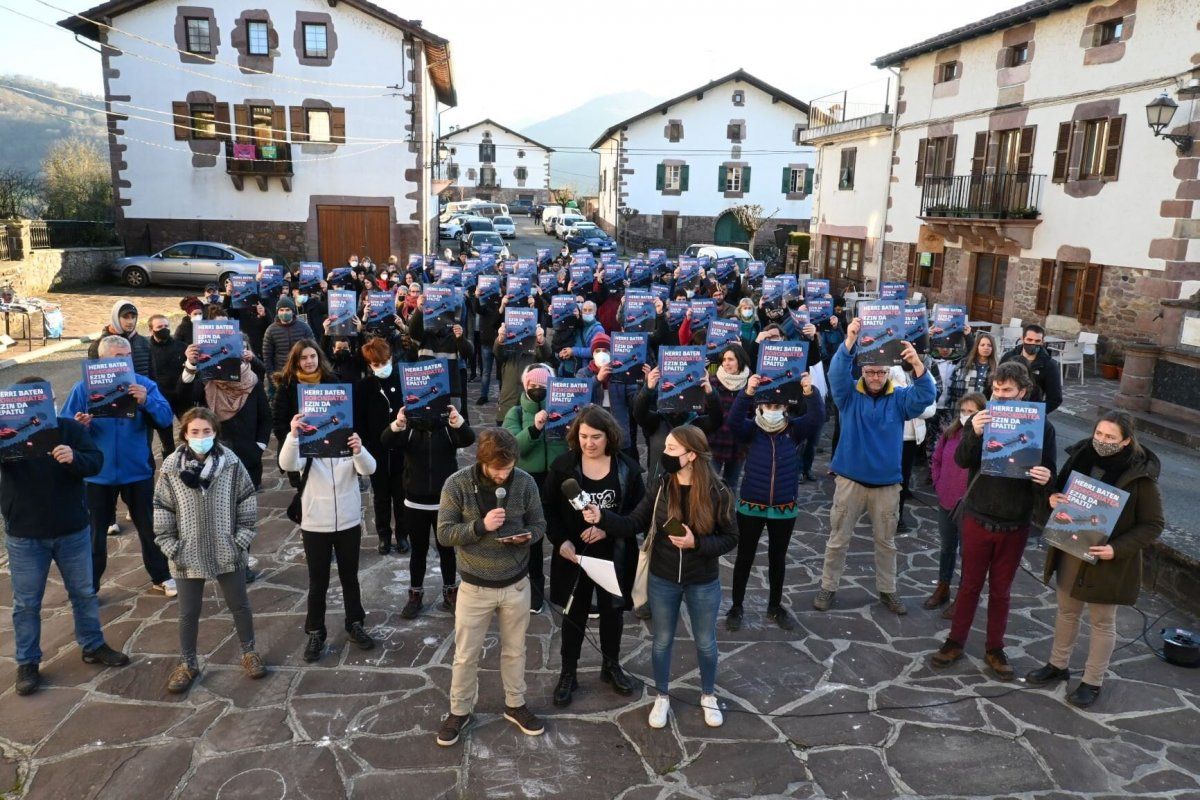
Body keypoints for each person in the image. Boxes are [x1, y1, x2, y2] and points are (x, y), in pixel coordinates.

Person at [591, 426, 737, 729]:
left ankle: (708, 695)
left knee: (706, 643)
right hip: (663, 577)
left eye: (672, 450)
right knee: (662, 641)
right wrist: (602, 518)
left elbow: (731, 537)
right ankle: (662, 696)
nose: (664, 455)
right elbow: (634, 522)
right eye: (666, 448)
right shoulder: (661, 486)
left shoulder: (718, 492)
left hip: (702, 580)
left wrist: (696, 543)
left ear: (691, 455)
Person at [1025, 412, 1164, 708]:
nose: (1102, 441)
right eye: (1099, 434)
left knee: (1102, 622)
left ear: (1126, 440)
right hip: (1071, 548)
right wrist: (1053, 498)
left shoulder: (1140, 476)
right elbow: (1060, 491)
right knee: (1066, 612)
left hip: (1108, 560)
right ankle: (1057, 665)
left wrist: (1117, 549)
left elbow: (1153, 525)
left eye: (1110, 437)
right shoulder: (1081, 456)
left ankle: (1092, 681)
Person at [2, 376, 128, 696]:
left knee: (83, 593)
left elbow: (95, 462)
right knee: (27, 604)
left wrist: (75, 458)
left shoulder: (69, 429)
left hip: (71, 529)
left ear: (49, 402)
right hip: (26, 534)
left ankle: (92, 644)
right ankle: (27, 662)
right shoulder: (6, 436)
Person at [931, 361, 1056, 680]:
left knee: (1001, 590)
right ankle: (955, 641)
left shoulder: (1043, 427)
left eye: (1007, 391)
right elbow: (961, 460)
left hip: (1014, 522)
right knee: (970, 584)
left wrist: (1046, 477)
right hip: (978, 516)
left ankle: (994, 648)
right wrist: (973, 431)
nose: (999, 396)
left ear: (1023, 392)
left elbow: (1049, 474)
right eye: (996, 390)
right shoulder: (979, 419)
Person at [814, 322, 937, 615]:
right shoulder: (848, 398)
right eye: (870, 372)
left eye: (881, 372)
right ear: (863, 371)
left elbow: (926, 397)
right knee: (838, 540)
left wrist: (917, 363)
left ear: (889, 373)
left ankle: (888, 591)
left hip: (887, 485)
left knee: (886, 543)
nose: (875, 377)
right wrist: (849, 341)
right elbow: (836, 373)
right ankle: (828, 586)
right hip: (850, 483)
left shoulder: (899, 400)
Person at [435, 428, 547, 746]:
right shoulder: (456, 484)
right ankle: (459, 711)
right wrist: (480, 527)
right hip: (475, 586)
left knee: (515, 651)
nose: (503, 476)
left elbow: (540, 524)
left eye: (508, 469)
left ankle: (515, 705)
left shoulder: (525, 482)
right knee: (466, 655)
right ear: (482, 462)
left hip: (516, 584)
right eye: (497, 470)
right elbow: (444, 534)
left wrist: (529, 536)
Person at [152, 408, 265, 694]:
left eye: (206, 431)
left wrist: (241, 539)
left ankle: (249, 652)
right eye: (195, 432)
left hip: (227, 549)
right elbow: (162, 507)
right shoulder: (170, 467)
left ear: (215, 433)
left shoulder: (231, 463)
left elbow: (246, 499)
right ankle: (188, 662)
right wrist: (170, 546)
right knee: (188, 612)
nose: (201, 437)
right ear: (185, 435)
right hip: (187, 553)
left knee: (239, 604)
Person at [542, 406, 644, 707]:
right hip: (574, 556)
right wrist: (560, 541)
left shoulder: (627, 469)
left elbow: (639, 514)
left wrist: (608, 529)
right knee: (574, 615)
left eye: (596, 437)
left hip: (615, 554)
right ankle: (568, 673)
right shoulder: (563, 467)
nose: (589, 443)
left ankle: (610, 665)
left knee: (613, 613)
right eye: (584, 436)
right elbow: (548, 508)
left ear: (608, 436)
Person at [63, 335, 176, 596]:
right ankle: (89, 587)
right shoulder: (83, 389)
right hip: (96, 474)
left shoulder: (144, 384)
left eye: (127, 357)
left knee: (150, 528)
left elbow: (166, 418)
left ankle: (161, 576)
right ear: (101, 360)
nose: (125, 361)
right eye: (117, 357)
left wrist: (146, 401)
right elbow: (64, 428)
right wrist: (80, 427)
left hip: (137, 470)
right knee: (94, 535)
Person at [279, 405, 379, 663]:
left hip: (348, 522)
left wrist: (359, 449)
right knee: (318, 582)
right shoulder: (309, 444)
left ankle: (355, 623)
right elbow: (287, 463)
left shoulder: (347, 442)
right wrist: (293, 436)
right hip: (315, 525)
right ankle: (315, 631)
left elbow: (369, 469)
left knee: (350, 577)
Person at [726, 372, 825, 631]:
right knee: (744, 557)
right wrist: (747, 392)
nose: (773, 410)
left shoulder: (794, 430)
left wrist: (809, 392)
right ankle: (736, 606)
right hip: (751, 506)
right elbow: (733, 421)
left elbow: (817, 418)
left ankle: (774, 606)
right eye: (768, 406)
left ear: (786, 408)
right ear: (760, 407)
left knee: (777, 558)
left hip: (784, 508)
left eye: (778, 406)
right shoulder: (751, 430)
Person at [381, 397, 476, 619]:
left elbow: (469, 438)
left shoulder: (448, 429)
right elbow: (385, 440)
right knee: (419, 551)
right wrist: (398, 424)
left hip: (445, 502)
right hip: (415, 501)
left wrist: (458, 422)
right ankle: (415, 594)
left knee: (447, 550)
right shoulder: (410, 429)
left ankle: (450, 591)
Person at [502, 364, 564, 612]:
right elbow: (512, 449)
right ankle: (535, 589)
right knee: (533, 538)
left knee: (563, 534)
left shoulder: (561, 407)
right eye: (533, 386)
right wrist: (534, 428)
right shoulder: (515, 413)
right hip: (530, 481)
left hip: (558, 478)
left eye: (543, 386)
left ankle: (563, 588)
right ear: (526, 386)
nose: (538, 390)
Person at [181, 336, 271, 488]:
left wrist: (259, 446)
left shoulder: (253, 381)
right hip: (215, 456)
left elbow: (265, 417)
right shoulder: (208, 380)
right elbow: (184, 396)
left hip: (248, 457)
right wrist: (191, 364)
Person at [925, 392, 986, 614]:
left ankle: (963, 597)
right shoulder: (950, 433)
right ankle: (943, 587)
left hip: (969, 506)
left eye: (973, 412)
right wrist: (938, 483)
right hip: (946, 500)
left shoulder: (985, 438)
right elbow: (937, 458)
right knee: (947, 547)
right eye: (964, 411)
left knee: (966, 553)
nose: (967, 416)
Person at [356, 338, 411, 556]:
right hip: (376, 451)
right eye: (375, 365)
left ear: (390, 359)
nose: (380, 367)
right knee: (380, 497)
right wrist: (367, 447)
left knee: (401, 496)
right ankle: (383, 535)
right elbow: (360, 421)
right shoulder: (365, 387)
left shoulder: (403, 381)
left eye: (383, 362)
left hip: (401, 451)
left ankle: (403, 535)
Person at [271, 339, 336, 465]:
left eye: (313, 356)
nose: (309, 361)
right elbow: (278, 423)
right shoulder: (287, 385)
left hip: (329, 449)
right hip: (299, 453)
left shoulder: (331, 380)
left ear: (319, 357)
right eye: (304, 358)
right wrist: (293, 444)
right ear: (296, 361)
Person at [891, 361, 938, 533]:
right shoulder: (888, 371)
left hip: (911, 436)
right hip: (890, 434)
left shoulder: (924, 373)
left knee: (904, 478)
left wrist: (911, 407)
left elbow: (931, 407)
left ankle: (898, 515)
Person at [707, 344, 752, 488]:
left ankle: (729, 511)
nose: (726, 363)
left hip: (738, 446)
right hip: (714, 442)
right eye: (724, 359)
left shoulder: (751, 384)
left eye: (731, 359)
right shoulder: (712, 382)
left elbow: (753, 414)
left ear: (740, 360)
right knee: (709, 485)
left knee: (731, 485)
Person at [147, 313, 191, 459]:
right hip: (160, 399)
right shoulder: (146, 350)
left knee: (191, 433)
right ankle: (169, 467)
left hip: (181, 397)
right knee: (167, 442)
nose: (164, 329)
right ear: (151, 330)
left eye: (166, 326)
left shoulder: (181, 347)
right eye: (159, 327)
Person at [1000, 324, 1062, 413]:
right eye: (1029, 340)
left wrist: (1037, 414)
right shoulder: (1008, 357)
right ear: (1022, 338)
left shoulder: (1049, 365)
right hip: (1004, 409)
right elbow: (997, 382)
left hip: (1031, 415)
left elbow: (1055, 398)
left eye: (1037, 341)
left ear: (1042, 342)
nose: (1033, 343)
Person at [262, 297, 315, 401]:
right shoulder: (271, 330)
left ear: (293, 311)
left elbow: (313, 349)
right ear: (277, 312)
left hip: (301, 374)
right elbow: (267, 357)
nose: (284, 312)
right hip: (280, 376)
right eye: (281, 310)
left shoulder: (304, 328)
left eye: (287, 310)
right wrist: (273, 379)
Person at [87, 299, 155, 380]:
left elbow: (153, 376)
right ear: (116, 318)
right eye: (125, 317)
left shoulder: (144, 342)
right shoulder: (98, 345)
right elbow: (94, 380)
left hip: (143, 391)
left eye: (133, 317)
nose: (130, 322)